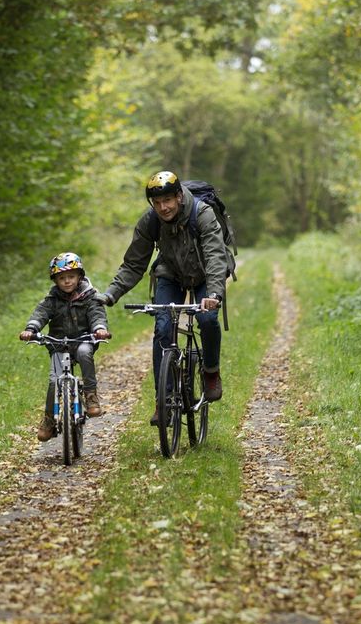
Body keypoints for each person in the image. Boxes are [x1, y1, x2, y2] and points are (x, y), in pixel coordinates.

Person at [98, 171, 232, 425]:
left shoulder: (202, 214)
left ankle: (211, 371)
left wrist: (214, 294)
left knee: (207, 320)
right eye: (157, 203)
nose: (163, 208)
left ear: (179, 196)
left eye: (168, 201)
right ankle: (164, 401)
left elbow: (216, 257)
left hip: (205, 274)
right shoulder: (150, 221)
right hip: (171, 273)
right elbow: (133, 264)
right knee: (163, 328)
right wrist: (110, 294)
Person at [20, 252, 111, 442]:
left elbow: (97, 315)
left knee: (86, 353)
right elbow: (41, 314)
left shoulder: (90, 296)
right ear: (55, 280)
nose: (67, 281)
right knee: (54, 381)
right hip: (58, 343)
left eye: (71, 276)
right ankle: (48, 420)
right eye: (62, 278)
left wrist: (100, 329)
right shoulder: (52, 299)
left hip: (83, 340)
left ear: (79, 276)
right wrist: (31, 329)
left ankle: (91, 395)